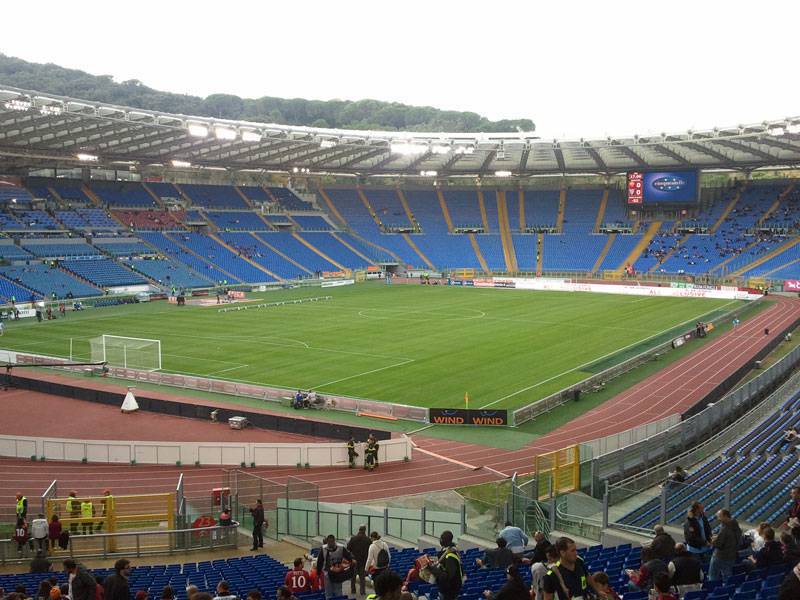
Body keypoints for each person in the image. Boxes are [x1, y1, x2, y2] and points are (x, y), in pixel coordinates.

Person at [316, 534, 353, 599]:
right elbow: (320, 562)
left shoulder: (339, 548)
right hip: (330, 573)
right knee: (333, 591)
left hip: (336, 573)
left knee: (334, 591)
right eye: (329, 542)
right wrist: (318, 573)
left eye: (332, 542)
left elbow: (320, 562)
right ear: (327, 541)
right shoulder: (325, 549)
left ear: (334, 541)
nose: (330, 543)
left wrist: (318, 573)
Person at [428, 530, 463, 600]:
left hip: (449, 591)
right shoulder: (449, 551)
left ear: (444, 541)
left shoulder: (450, 557)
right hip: (448, 589)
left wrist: (433, 569)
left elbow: (447, 576)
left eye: (441, 538)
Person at [709, 509, 741, 581]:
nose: (718, 519)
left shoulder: (725, 529)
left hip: (720, 556)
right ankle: (726, 590)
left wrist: (713, 541)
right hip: (731, 556)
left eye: (719, 517)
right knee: (727, 576)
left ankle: (713, 589)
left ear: (725, 516)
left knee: (712, 576)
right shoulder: (736, 525)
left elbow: (718, 544)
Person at [347, 525, 371, 596]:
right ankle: (362, 591)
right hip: (363, 561)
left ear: (359, 529)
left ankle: (353, 590)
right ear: (365, 530)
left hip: (354, 561)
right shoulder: (368, 540)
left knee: (353, 577)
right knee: (362, 577)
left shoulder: (353, 539)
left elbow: (348, 549)